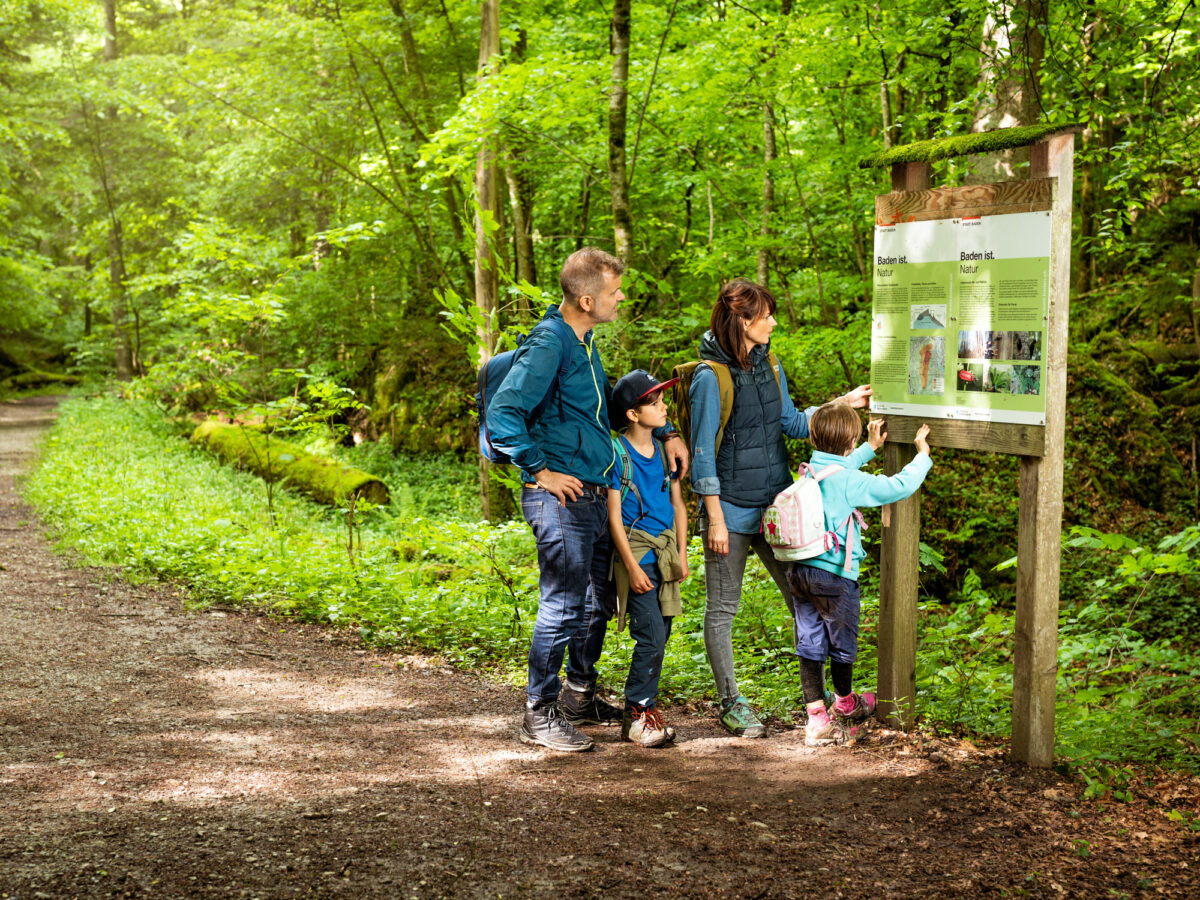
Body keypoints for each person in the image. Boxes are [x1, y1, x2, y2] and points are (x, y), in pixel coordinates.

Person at [487, 248, 688, 752]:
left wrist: (668, 435)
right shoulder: (551, 343)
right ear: (585, 298)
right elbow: (504, 412)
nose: (621, 297)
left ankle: (578, 696)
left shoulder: (585, 343)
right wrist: (540, 471)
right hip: (561, 499)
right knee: (563, 606)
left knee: (594, 606)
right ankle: (539, 713)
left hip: (595, 497)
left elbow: (619, 414)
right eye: (613, 291)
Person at [690, 279, 871, 738]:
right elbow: (703, 455)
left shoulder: (770, 364)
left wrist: (840, 405)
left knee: (802, 599)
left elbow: (790, 422)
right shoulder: (710, 378)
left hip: (778, 508)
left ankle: (821, 703)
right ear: (744, 321)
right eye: (766, 314)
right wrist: (714, 518)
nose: (773, 321)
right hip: (728, 512)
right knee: (723, 609)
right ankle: (732, 701)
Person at [785, 405, 932, 746]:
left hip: (799, 572)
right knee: (841, 646)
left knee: (809, 643)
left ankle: (817, 719)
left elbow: (839, 464)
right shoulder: (850, 481)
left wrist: (870, 448)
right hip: (835, 577)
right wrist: (922, 456)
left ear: (813, 437)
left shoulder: (811, 468)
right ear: (849, 442)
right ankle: (846, 704)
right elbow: (895, 486)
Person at [606, 370, 689, 747]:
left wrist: (683, 554)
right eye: (653, 403)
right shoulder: (617, 454)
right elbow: (612, 517)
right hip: (636, 553)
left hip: (666, 551)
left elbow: (678, 505)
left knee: (664, 631)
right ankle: (635, 714)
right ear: (632, 414)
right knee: (651, 634)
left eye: (662, 400)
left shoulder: (665, 450)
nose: (663, 407)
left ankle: (647, 709)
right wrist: (633, 566)